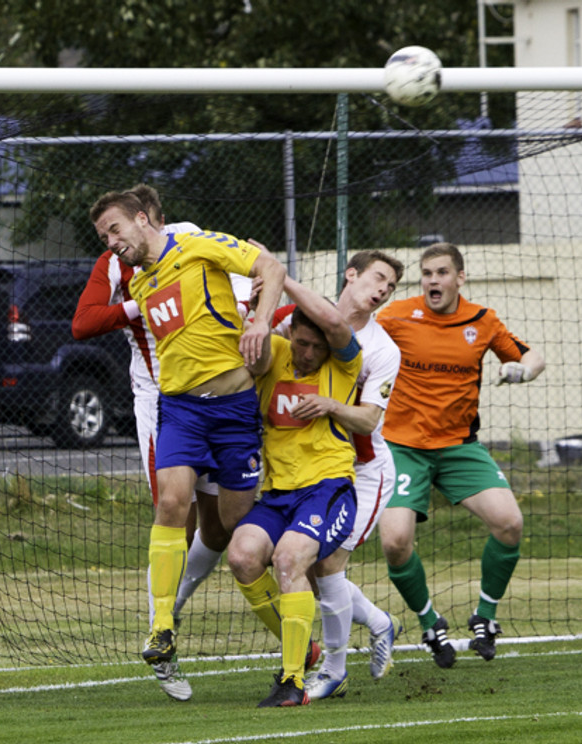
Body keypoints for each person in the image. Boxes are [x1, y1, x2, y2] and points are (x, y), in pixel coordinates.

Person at [88, 189, 286, 681]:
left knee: (239, 535)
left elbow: (271, 267)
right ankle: (161, 625)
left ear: (142, 218)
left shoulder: (198, 246)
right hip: (180, 410)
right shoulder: (140, 283)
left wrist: (259, 323)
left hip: (235, 411)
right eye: (103, 237)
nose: (110, 242)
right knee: (172, 505)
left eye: (114, 229)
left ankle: (297, 640)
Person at [375, 242, 545, 667]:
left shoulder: (482, 320)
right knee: (395, 542)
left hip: (458, 447)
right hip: (402, 446)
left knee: (510, 523)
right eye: (426, 273)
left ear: (460, 278)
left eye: (442, 272)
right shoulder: (395, 316)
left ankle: (485, 616)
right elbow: (353, 338)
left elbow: (533, 357)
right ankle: (429, 622)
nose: (432, 280)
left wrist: (522, 370)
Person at [271, 249, 406, 701]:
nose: (383, 289)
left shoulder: (382, 350)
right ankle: (381, 622)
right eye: (378, 277)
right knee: (309, 568)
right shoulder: (302, 319)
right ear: (350, 274)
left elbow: (368, 421)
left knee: (327, 565)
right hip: (308, 470)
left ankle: (333, 670)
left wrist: (330, 405)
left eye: (391, 286)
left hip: (363, 472)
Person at [227, 273, 362, 708]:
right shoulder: (277, 354)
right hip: (278, 494)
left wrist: (279, 276)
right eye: (302, 343)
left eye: (316, 347)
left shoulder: (344, 365)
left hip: (328, 487)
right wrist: (260, 306)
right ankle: (303, 647)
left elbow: (336, 325)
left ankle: (292, 681)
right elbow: (251, 342)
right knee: (242, 555)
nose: (307, 353)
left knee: (288, 559)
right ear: (291, 334)